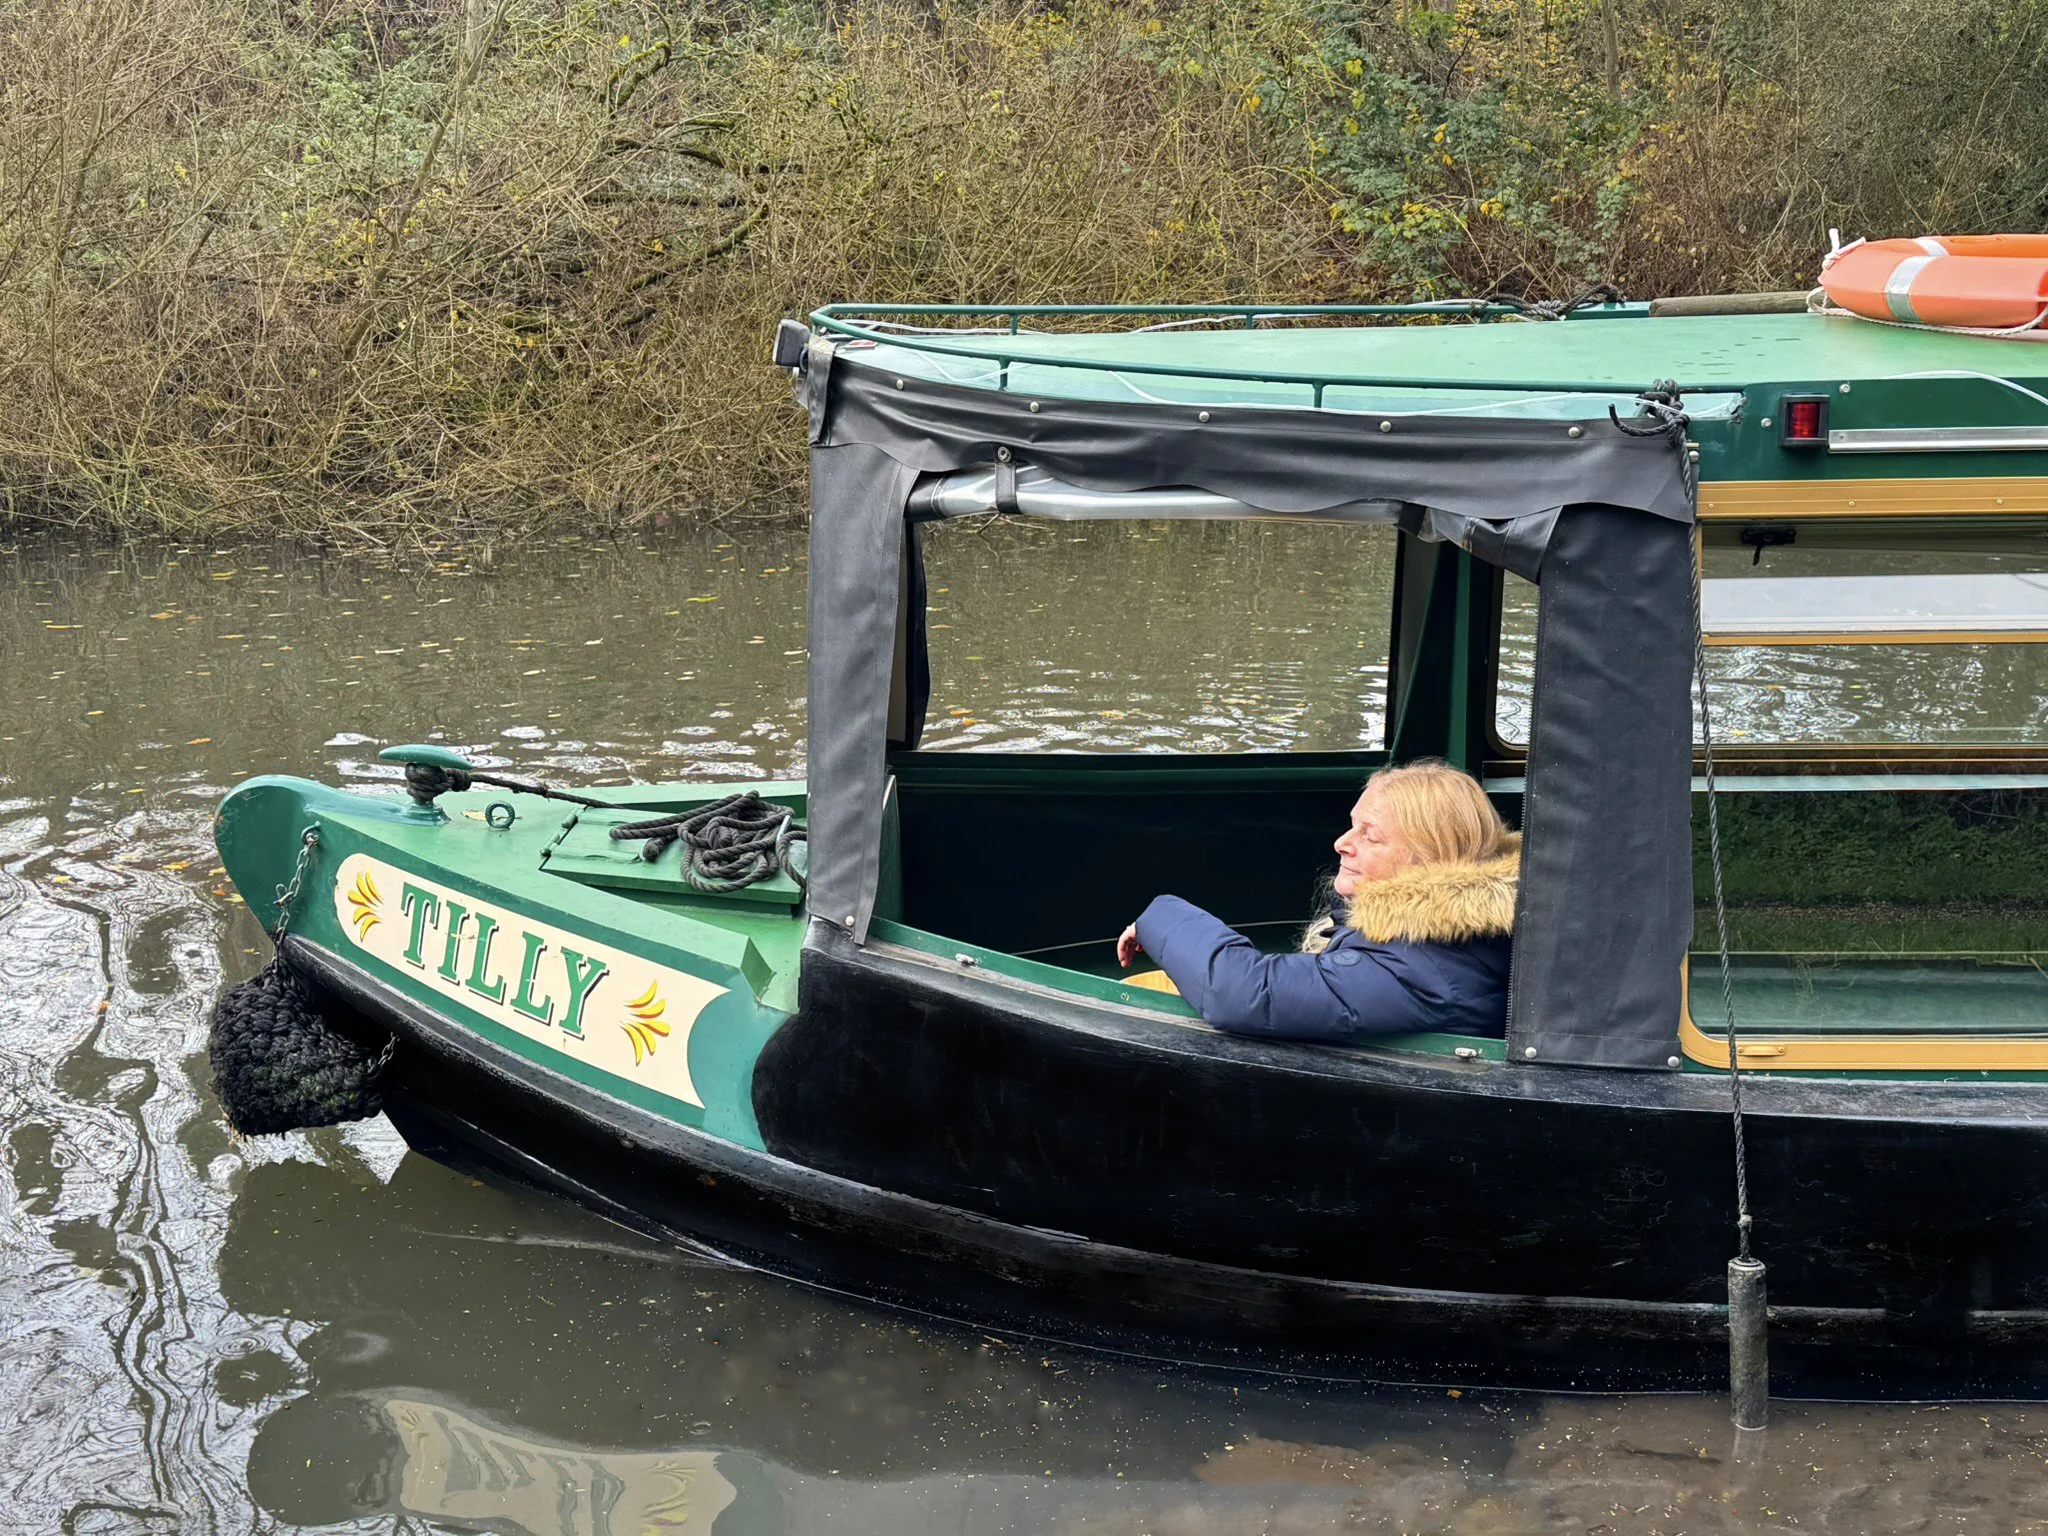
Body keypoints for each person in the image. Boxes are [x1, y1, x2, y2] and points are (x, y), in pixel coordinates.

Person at [1115, 759, 1518, 1041]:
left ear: (1431, 861)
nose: (1342, 843)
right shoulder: (1441, 939)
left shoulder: (1419, 969)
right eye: (1351, 825)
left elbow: (1246, 994)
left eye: (1370, 836)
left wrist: (1158, 918)